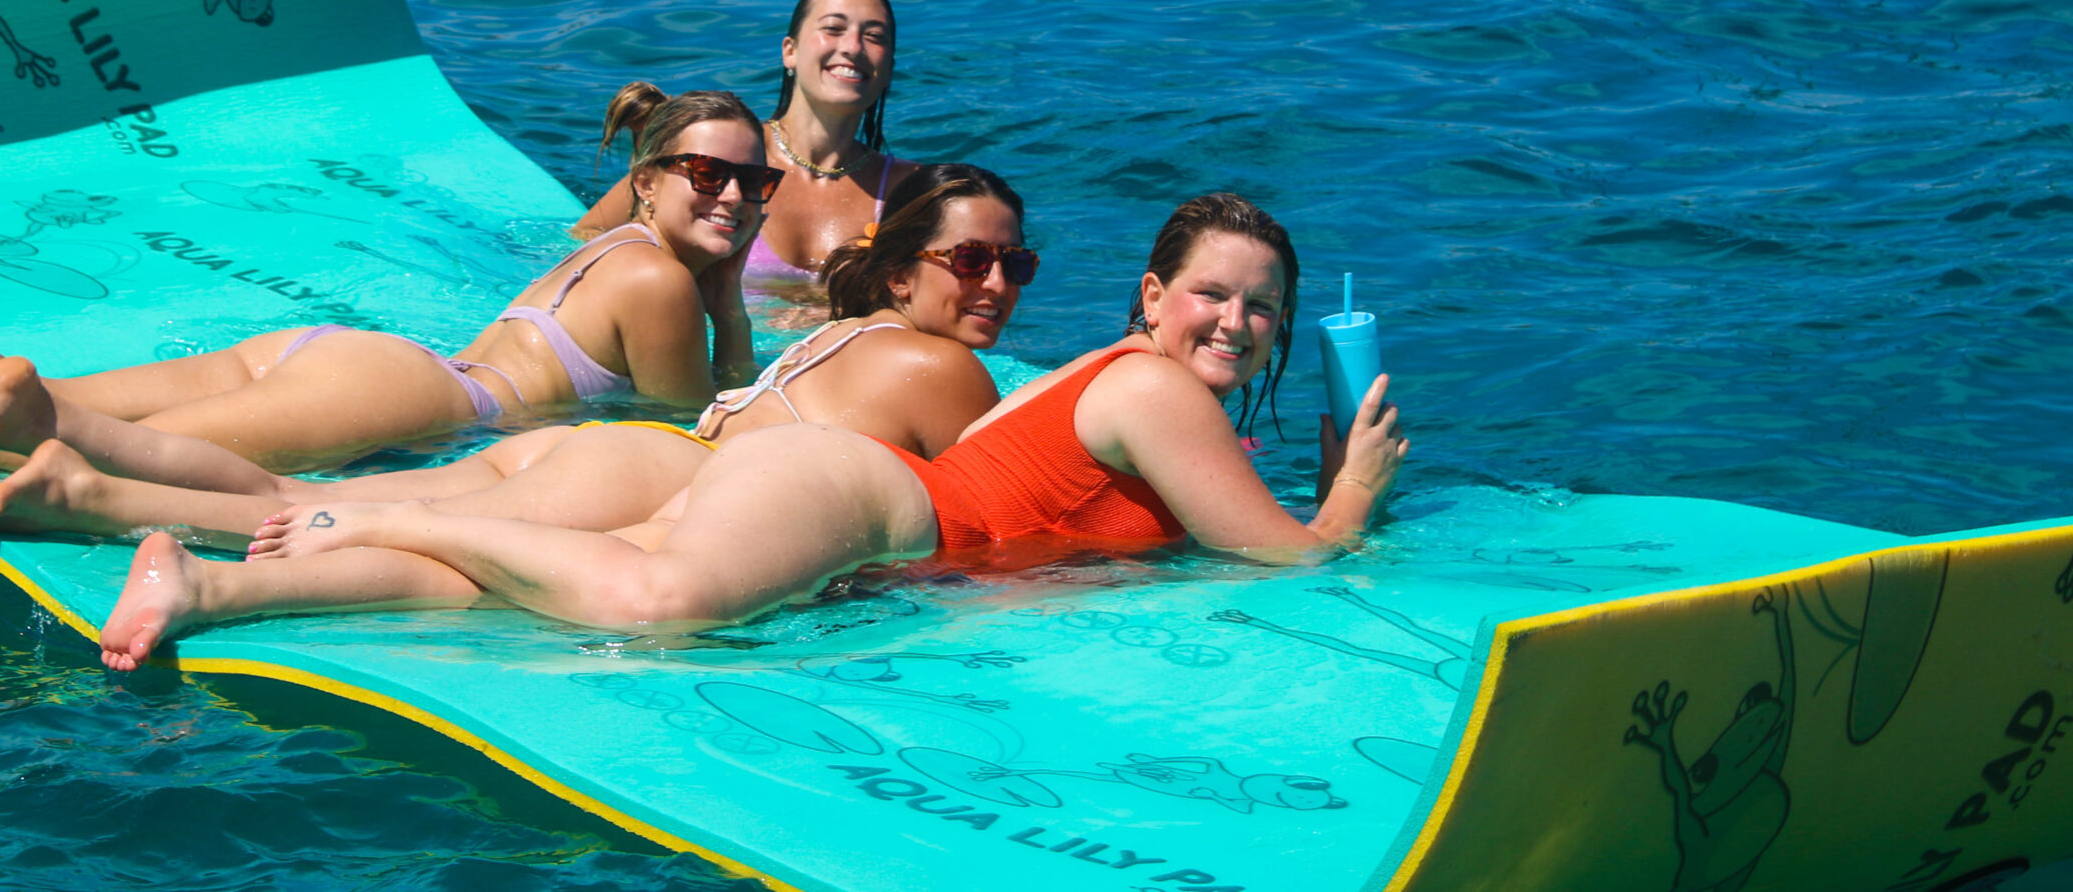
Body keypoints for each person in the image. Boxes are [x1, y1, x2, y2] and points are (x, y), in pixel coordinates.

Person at [95, 191, 1411, 666]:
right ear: (1154, 296)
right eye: (1212, 294)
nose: (1233, 322)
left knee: (508, 593)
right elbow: (1281, 557)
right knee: (661, 601)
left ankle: (204, 582)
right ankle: (383, 508)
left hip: (854, 505)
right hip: (860, 495)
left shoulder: (1108, 371)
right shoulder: (1162, 390)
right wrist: (1350, 492)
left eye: (1261, 306)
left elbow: (1049, 511)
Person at [0, 89, 772, 483]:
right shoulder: (660, 285)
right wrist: (727, 304)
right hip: (417, 399)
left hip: (333, 355)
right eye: (706, 175)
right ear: (650, 177)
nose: (732, 197)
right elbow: (682, 426)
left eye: (753, 184)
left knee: (59, 396)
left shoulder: (601, 250)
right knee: (54, 436)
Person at [0, 164, 1030, 554]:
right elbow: (989, 513)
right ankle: (85, 492)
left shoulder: (843, 332)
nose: (995, 285)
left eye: (1015, 265)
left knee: (300, 498)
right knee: (363, 531)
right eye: (971, 261)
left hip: (596, 446)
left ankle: (76, 472)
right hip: (639, 470)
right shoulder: (944, 374)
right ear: (901, 273)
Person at [576, 0, 913, 308]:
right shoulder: (720, 151)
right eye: (833, 29)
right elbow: (588, 236)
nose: (853, 47)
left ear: (888, 69)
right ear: (790, 52)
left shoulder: (909, 191)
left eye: (874, 37)